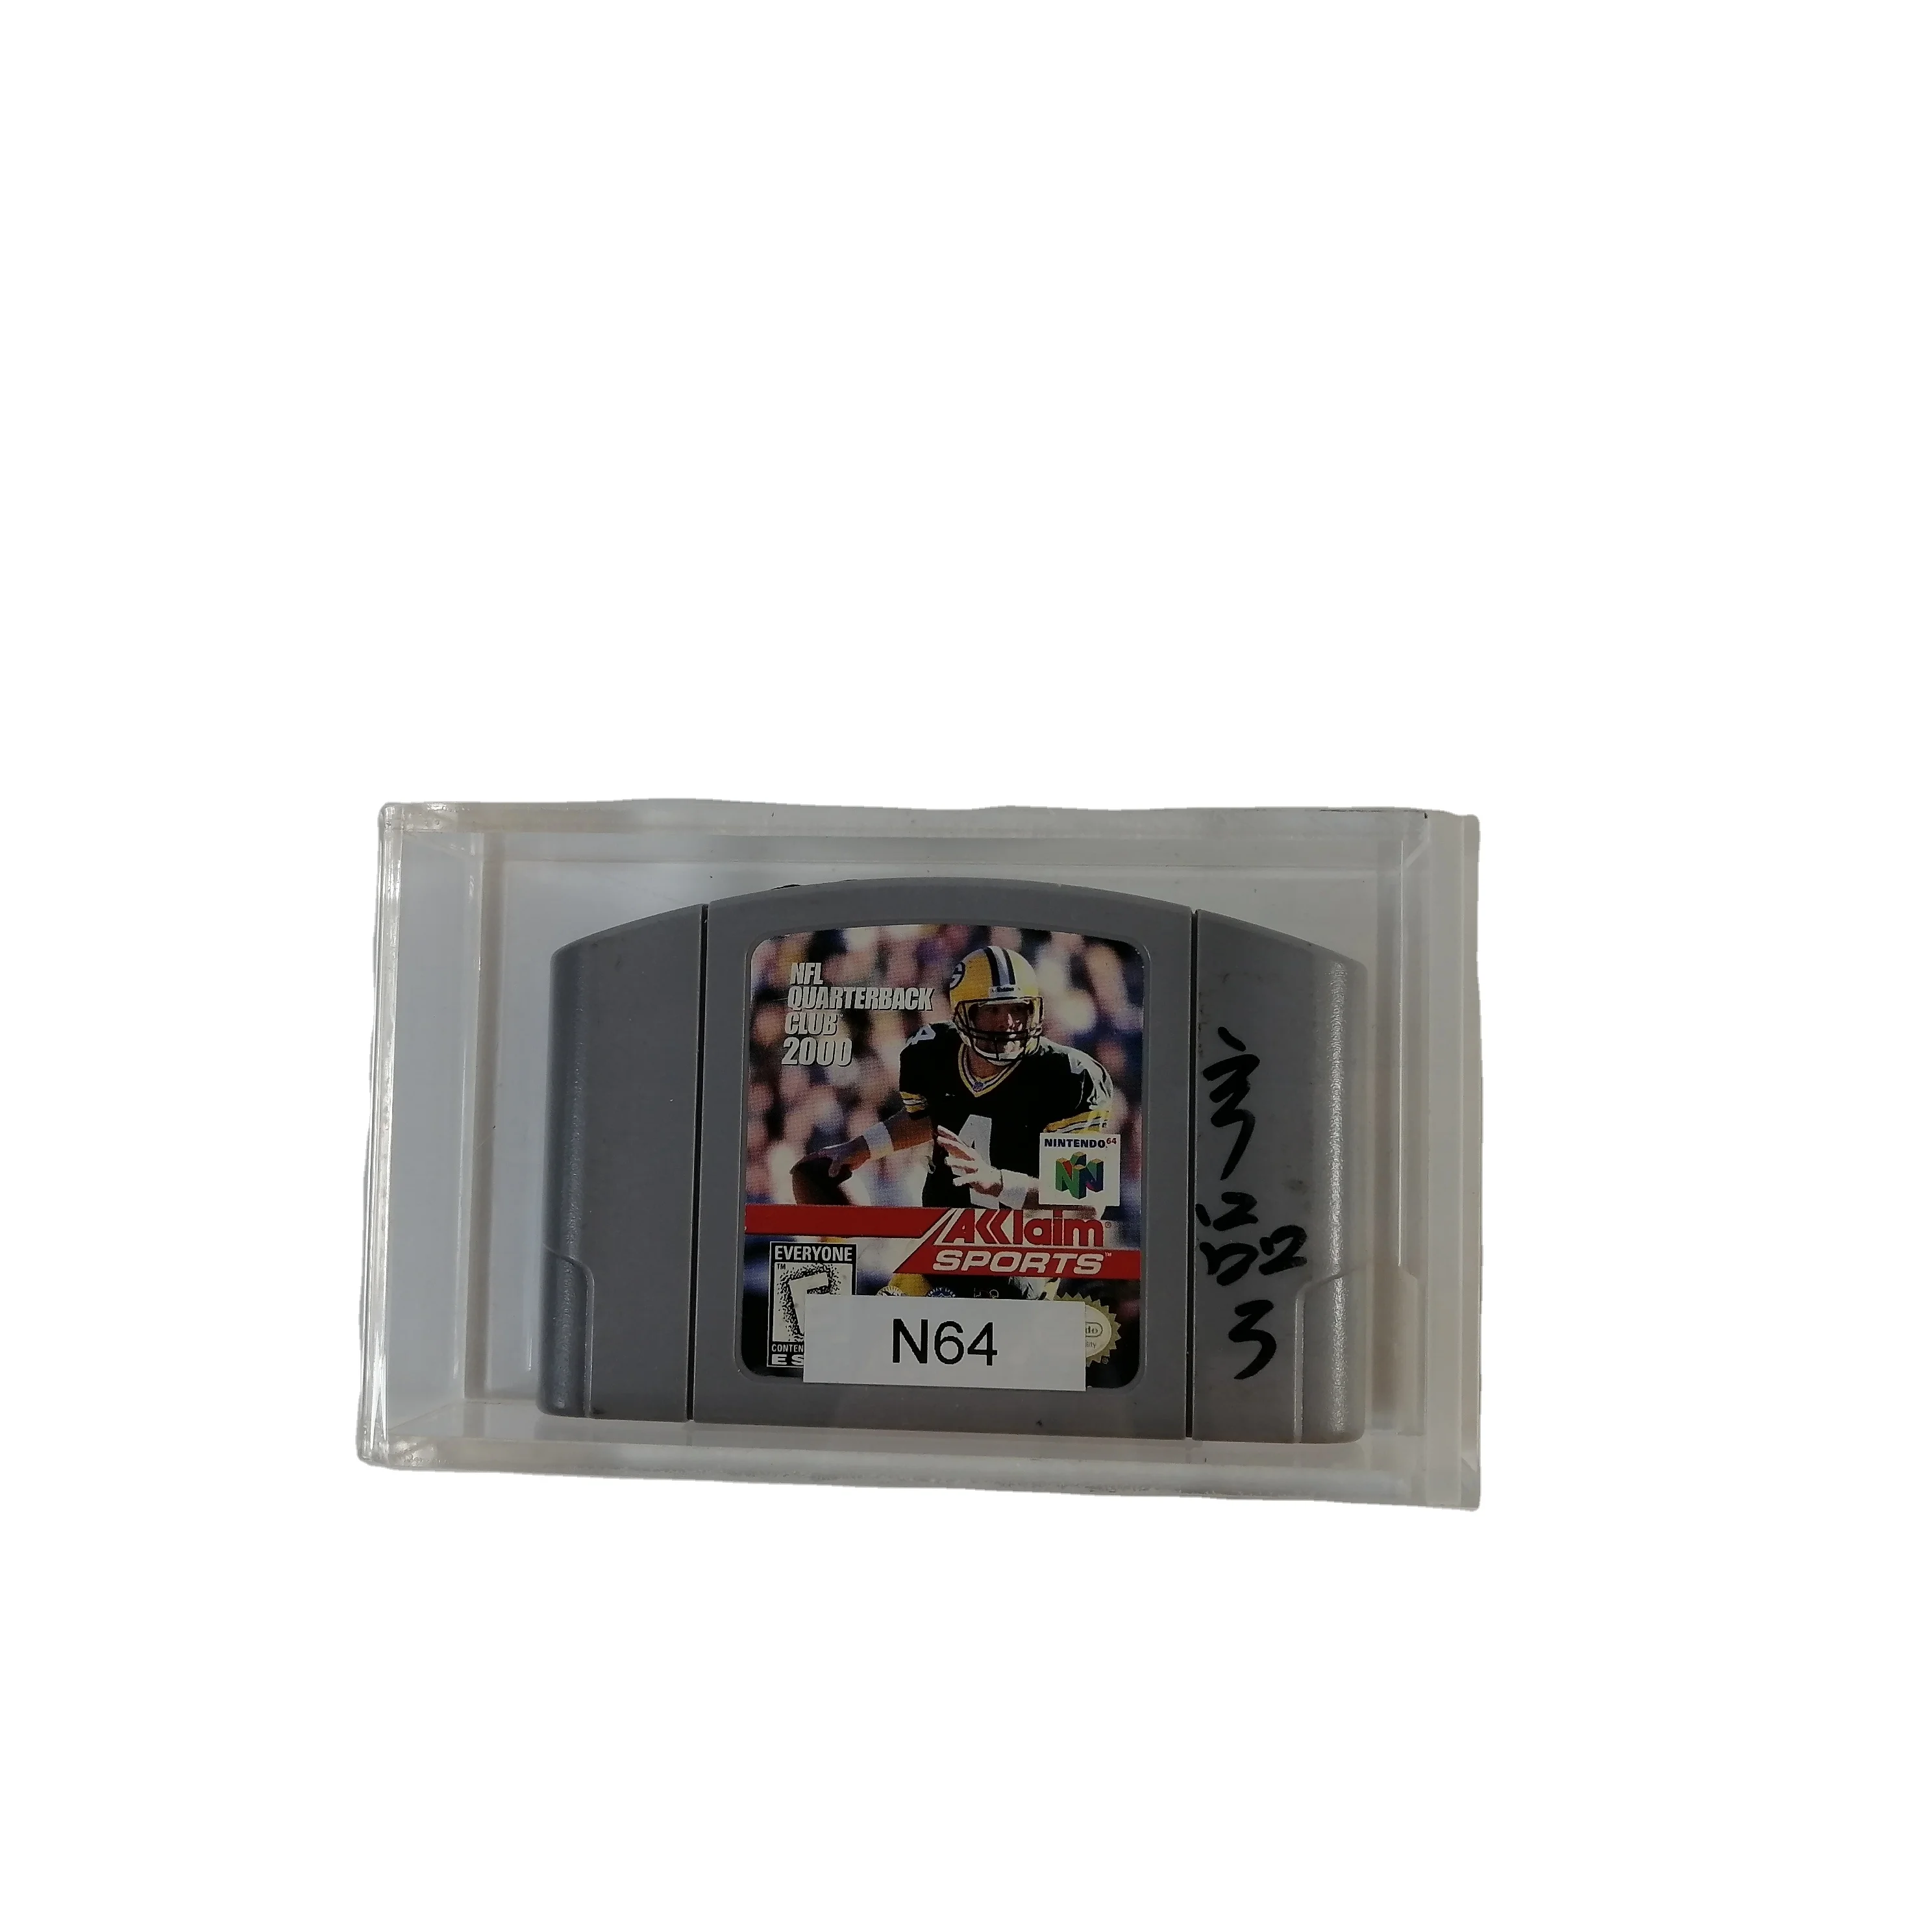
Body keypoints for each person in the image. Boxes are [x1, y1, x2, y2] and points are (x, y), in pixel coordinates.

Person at [815, 943, 1114, 1216]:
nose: (1009, 1022)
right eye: (993, 1010)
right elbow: (929, 1118)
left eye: (1018, 1008)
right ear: (963, 1015)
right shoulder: (933, 1052)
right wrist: (862, 1147)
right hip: (943, 1237)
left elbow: (1088, 1197)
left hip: (1028, 1247)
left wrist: (999, 1183)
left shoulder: (1071, 1076)